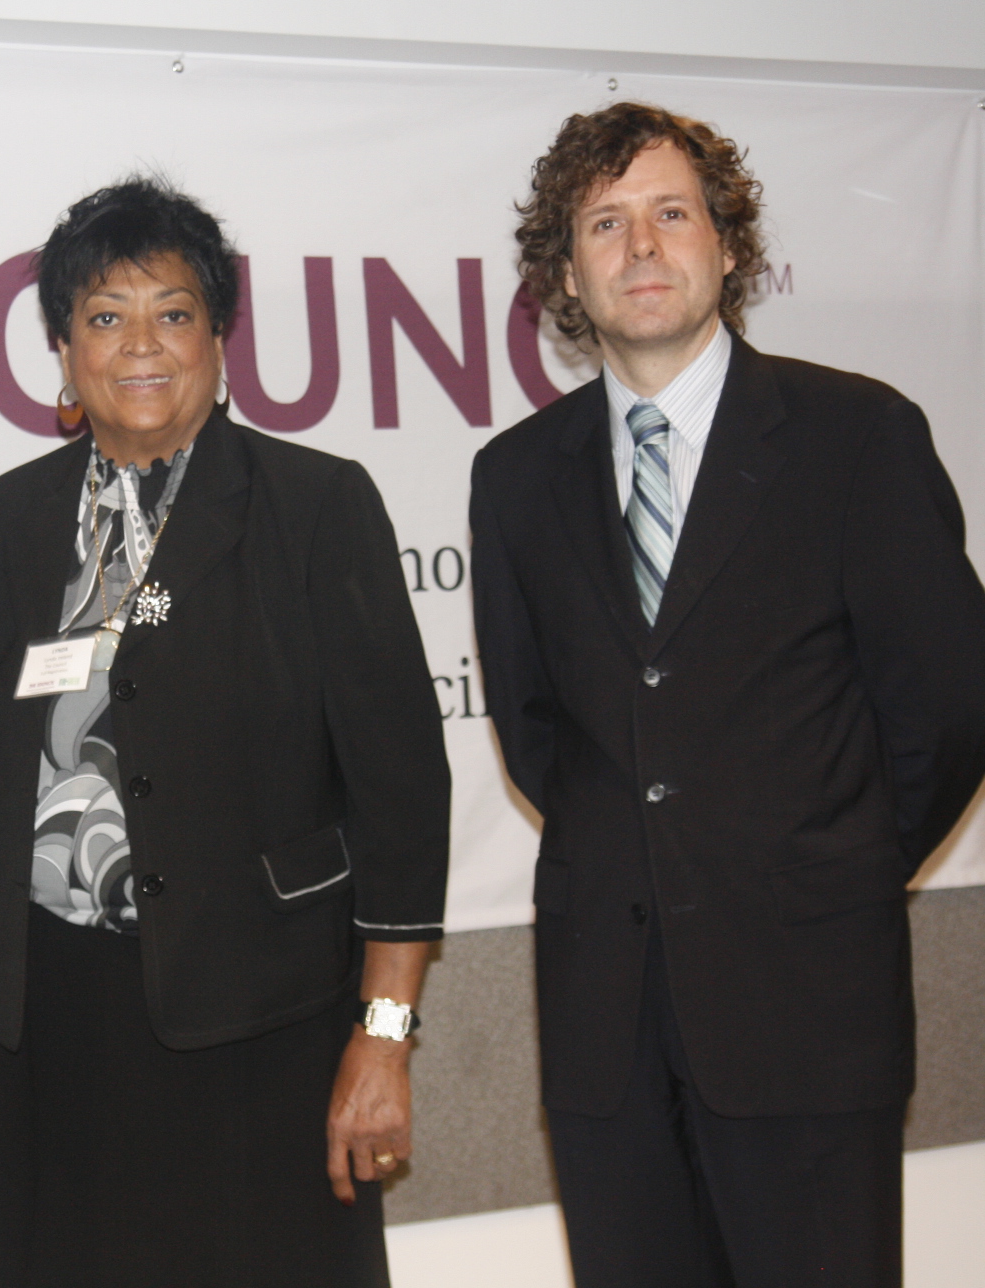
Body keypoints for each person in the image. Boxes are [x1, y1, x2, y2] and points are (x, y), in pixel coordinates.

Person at [470, 102, 985, 1288]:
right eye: (605, 224)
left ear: (728, 244)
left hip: (808, 1010)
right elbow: (538, 734)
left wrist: (830, 863)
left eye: (670, 212)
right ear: (565, 273)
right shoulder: (514, 478)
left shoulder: (857, 437)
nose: (641, 247)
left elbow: (950, 706)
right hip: (606, 1030)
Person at [0, 177, 451, 1287]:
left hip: (263, 1025)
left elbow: (403, 797)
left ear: (219, 339)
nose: (141, 344)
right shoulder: (2, 521)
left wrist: (383, 1035)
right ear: (63, 349)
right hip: (57, 1036)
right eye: (104, 316)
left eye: (172, 312)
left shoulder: (314, 506)